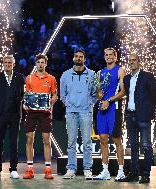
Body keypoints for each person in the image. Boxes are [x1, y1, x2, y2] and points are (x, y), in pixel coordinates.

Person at [119, 53, 156, 184]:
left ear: (139, 61)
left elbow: (155, 96)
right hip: (130, 116)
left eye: (134, 60)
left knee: (146, 146)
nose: (131, 62)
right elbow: (125, 95)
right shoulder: (126, 78)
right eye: (129, 60)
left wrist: (148, 112)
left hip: (143, 117)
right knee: (134, 146)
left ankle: (146, 174)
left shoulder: (148, 76)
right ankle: (134, 173)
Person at [60, 49, 97, 180]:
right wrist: (69, 104)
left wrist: (88, 104)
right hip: (71, 112)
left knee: (87, 142)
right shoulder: (65, 75)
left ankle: (87, 169)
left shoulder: (92, 75)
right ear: (73, 58)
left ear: (84, 59)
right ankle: (71, 168)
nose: (78, 58)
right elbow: (62, 95)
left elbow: (95, 94)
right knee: (71, 142)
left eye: (81, 57)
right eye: (76, 56)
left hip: (86, 112)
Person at [23, 54, 58, 179]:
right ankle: (30, 169)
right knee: (29, 139)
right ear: (36, 64)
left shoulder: (52, 79)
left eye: (43, 62)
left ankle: (48, 169)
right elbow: (27, 94)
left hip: (45, 113)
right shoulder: (29, 78)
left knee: (46, 139)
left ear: (46, 64)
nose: (40, 64)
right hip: (31, 113)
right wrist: (26, 103)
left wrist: (50, 103)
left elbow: (55, 95)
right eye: (39, 62)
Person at [93, 48, 125, 181]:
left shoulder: (120, 70)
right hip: (102, 110)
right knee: (103, 139)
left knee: (117, 139)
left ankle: (121, 171)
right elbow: (97, 93)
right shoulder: (99, 73)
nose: (108, 57)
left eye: (111, 55)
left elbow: (123, 92)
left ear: (115, 57)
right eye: (106, 55)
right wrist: (99, 95)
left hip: (114, 109)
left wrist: (109, 100)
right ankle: (105, 171)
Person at [0, 55, 25, 179]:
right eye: (5, 62)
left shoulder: (20, 78)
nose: (7, 64)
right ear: (3, 64)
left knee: (14, 143)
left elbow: (22, 95)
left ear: (13, 64)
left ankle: (13, 169)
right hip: (1, 115)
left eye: (10, 62)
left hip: (15, 115)